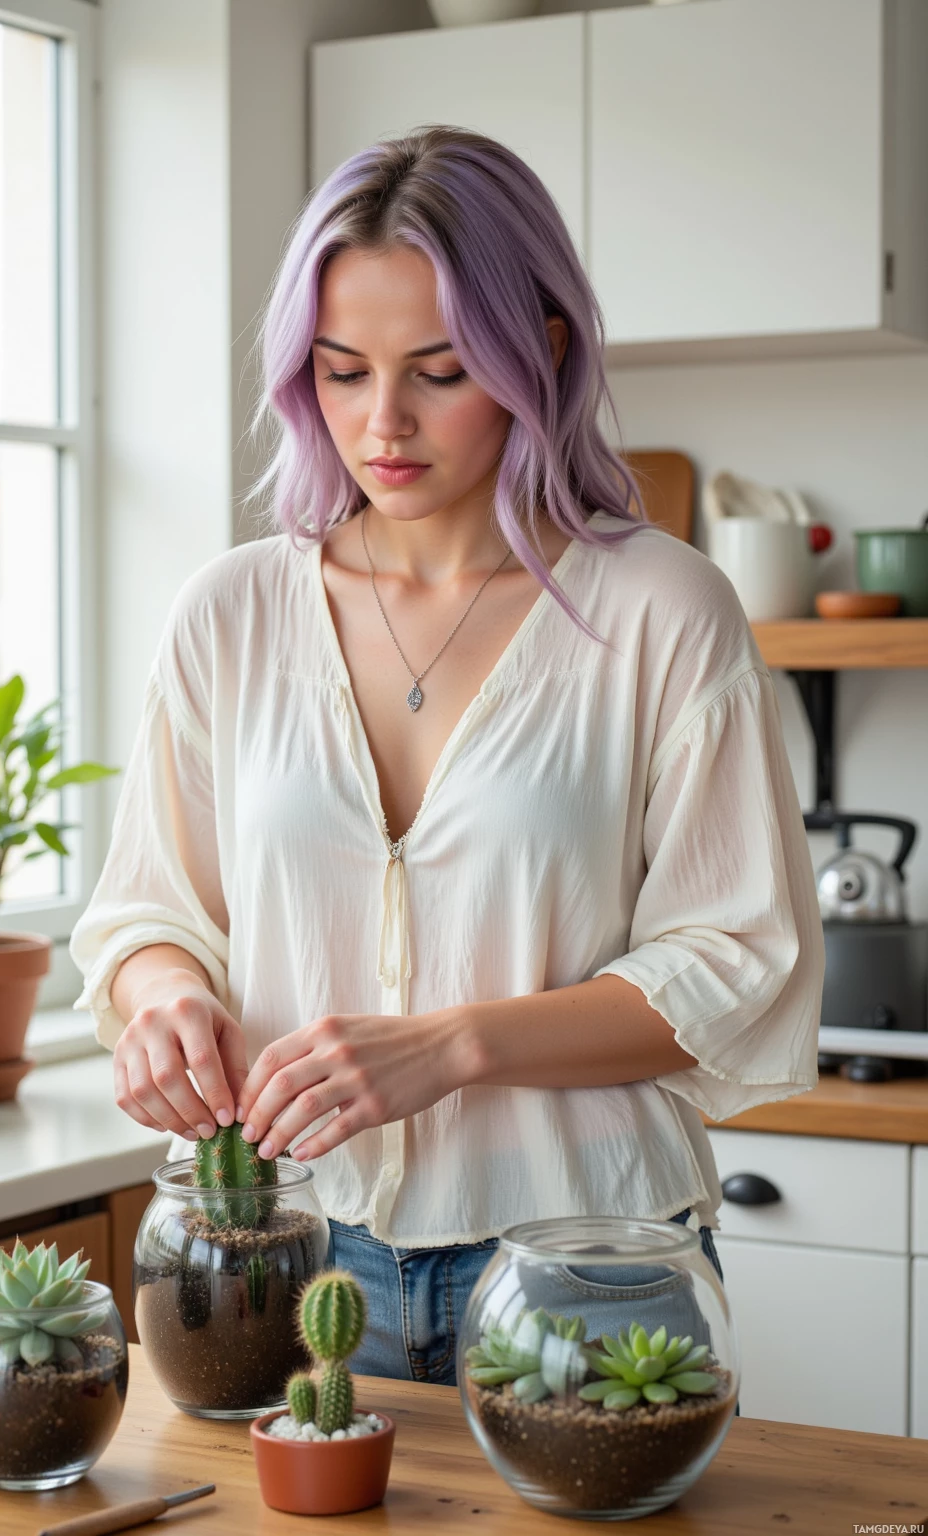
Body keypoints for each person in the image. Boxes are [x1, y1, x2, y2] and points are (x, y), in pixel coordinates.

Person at [70, 126, 824, 1394]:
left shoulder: (662, 608)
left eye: (439, 370)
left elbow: (732, 956)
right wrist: (162, 1003)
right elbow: (152, 909)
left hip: (588, 1261)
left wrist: (453, 1045)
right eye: (342, 370)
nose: (383, 423)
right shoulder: (230, 611)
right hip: (288, 1247)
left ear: (544, 350)